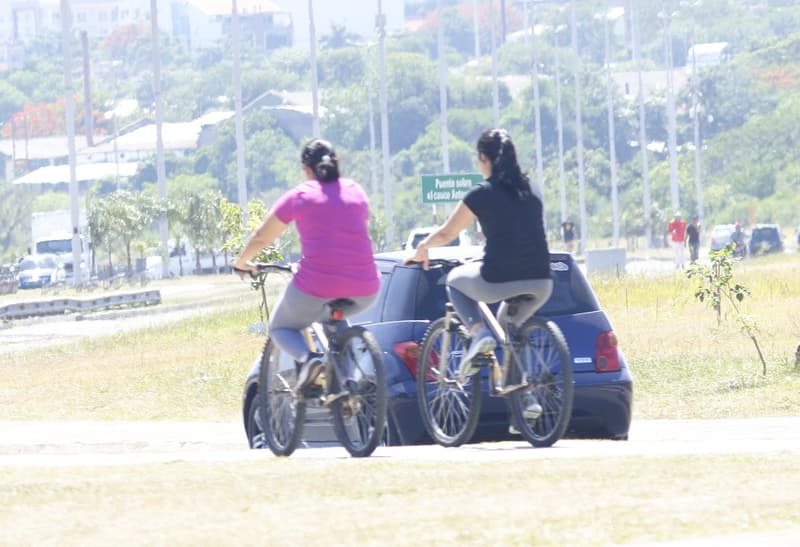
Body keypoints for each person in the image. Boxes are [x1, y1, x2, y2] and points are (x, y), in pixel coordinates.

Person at [405, 129, 553, 377]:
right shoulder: (531, 190)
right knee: (507, 329)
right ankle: (521, 390)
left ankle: (478, 333)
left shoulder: (482, 193)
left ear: (484, 158)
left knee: (454, 282)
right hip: (542, 281)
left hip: (499, 278)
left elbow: (446, 234)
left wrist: (422, 249)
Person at [233, 138, 380, 389]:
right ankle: (347, 382)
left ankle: (308, 359)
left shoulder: (300, 196)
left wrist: (241, 262)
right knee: (333, 318)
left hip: (317, 285)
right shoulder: (355, 190)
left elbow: (262, 237)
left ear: (307, 169)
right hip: (366, 289)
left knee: (279, 327)